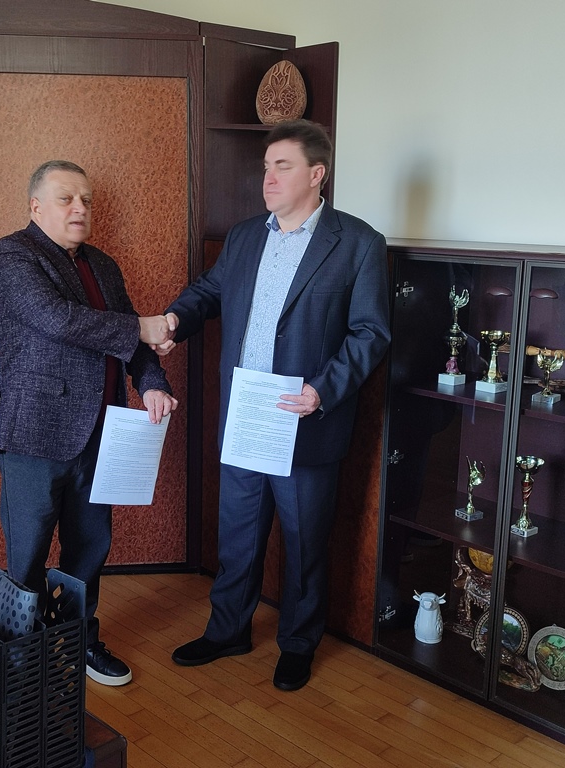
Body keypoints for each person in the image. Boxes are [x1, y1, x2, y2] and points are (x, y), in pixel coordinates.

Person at [157, 119, 390, 691]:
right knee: (238, 532)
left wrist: (322, 390)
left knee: (305, 542)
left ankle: (298, 644)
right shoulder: (244, 237)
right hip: (246, 411)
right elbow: (210, 291)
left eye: (282, 166)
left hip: (303, 415)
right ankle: (228, 630)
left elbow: (370, 333)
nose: (268, 177)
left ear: (317, 174)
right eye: (266, 167)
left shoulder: (358, 243)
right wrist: (174, 321)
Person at [0, 160, 178, 686]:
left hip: (102, 433)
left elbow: (130, 338)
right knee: (27, 555)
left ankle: (79, 641)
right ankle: (18, 660)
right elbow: (57, 319)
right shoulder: (10, 255)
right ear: (36, 207)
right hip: (35, 433)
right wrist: (142, 327)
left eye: (87, 200)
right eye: (67, 198)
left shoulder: (104, 266)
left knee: (90, 547)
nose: (80, 209)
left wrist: (152, 383)